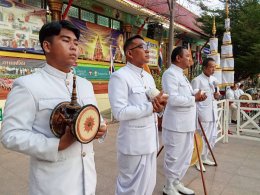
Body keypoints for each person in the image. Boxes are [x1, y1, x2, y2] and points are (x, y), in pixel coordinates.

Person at [1, 20, 107, 195]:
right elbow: (10, 135)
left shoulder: (85, 85)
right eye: (66, 41)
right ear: (47, 46)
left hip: (87, 179)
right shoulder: (28, 85)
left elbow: (94, 116)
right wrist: (56, 144)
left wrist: (100, 129)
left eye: (75, 43)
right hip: (53, 184)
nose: (74, 47)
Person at [108, 35, 167, 195]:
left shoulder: (147, 76)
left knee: (148, 185)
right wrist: (150, 107)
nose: (147, 50)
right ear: (130, 53)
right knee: (130, 188)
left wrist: (161, 106)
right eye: (141, 47)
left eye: (146, 46)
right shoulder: (119, 77)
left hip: (150, 141)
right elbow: (119, 112)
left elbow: (155, 107)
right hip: (133, 144)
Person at [161, 46, 207, 195]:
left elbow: (186, 93)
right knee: (174, 156)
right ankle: (168, 187)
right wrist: (194, 98)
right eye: (187, 56)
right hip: (175, 124)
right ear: (178, 58)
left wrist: (196, 93)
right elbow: (173, 99)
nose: (190, 59)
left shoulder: (182, 75)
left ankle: (176, 182)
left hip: (187, 124)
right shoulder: (170, 74)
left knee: (186, 155)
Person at [191, 57, 220, 172]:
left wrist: (217, 96)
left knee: (212, 137)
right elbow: (193, 98)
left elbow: (215, 95)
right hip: (202, 114)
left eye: (214, 67)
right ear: (204, 68)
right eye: (211, 67)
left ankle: (204, 157)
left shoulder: (214, 79)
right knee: (202, 138)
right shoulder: (197, 80)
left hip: (213, 113)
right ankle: (198, 161)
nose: (213, 69)